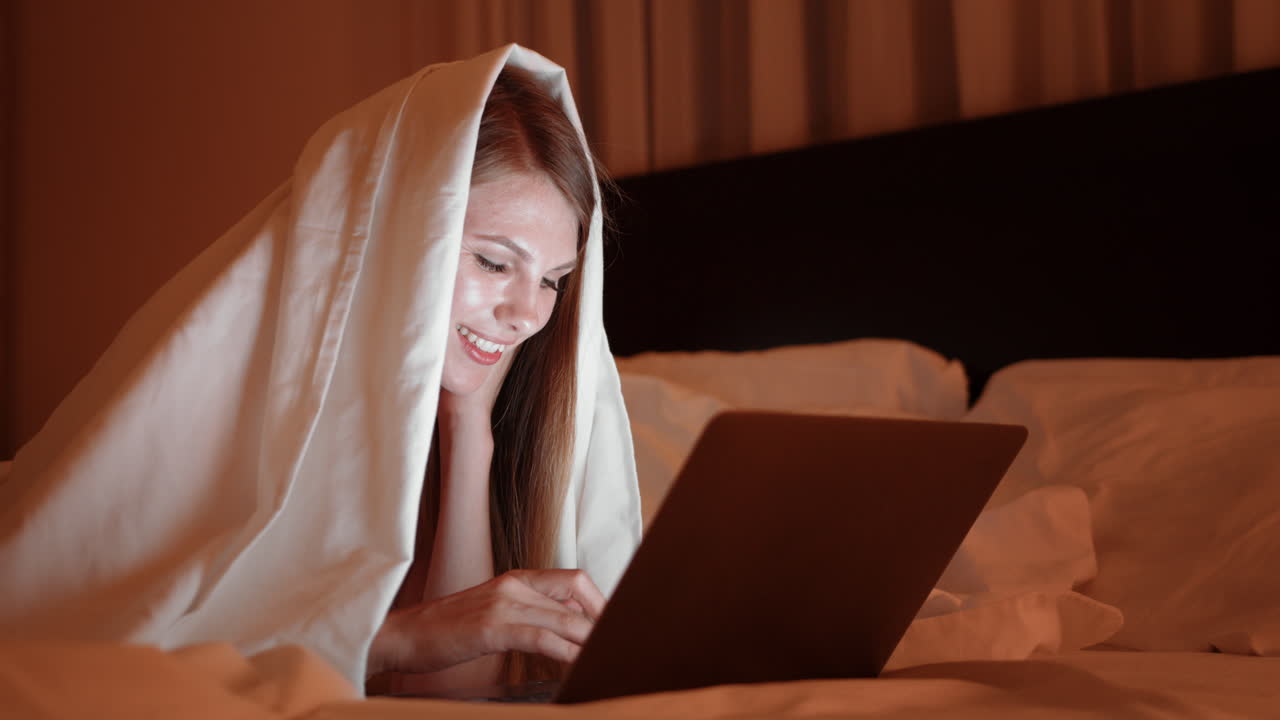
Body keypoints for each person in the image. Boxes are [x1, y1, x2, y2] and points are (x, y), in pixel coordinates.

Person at [0, 45, 642, 694]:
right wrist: (394, 638)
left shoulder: (482, 419)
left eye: (553, 281)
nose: (526, 315)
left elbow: (451, 696)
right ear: (401, 234)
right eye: (495, 263)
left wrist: (470, 429)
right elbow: (92, 650)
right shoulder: (230, 405)